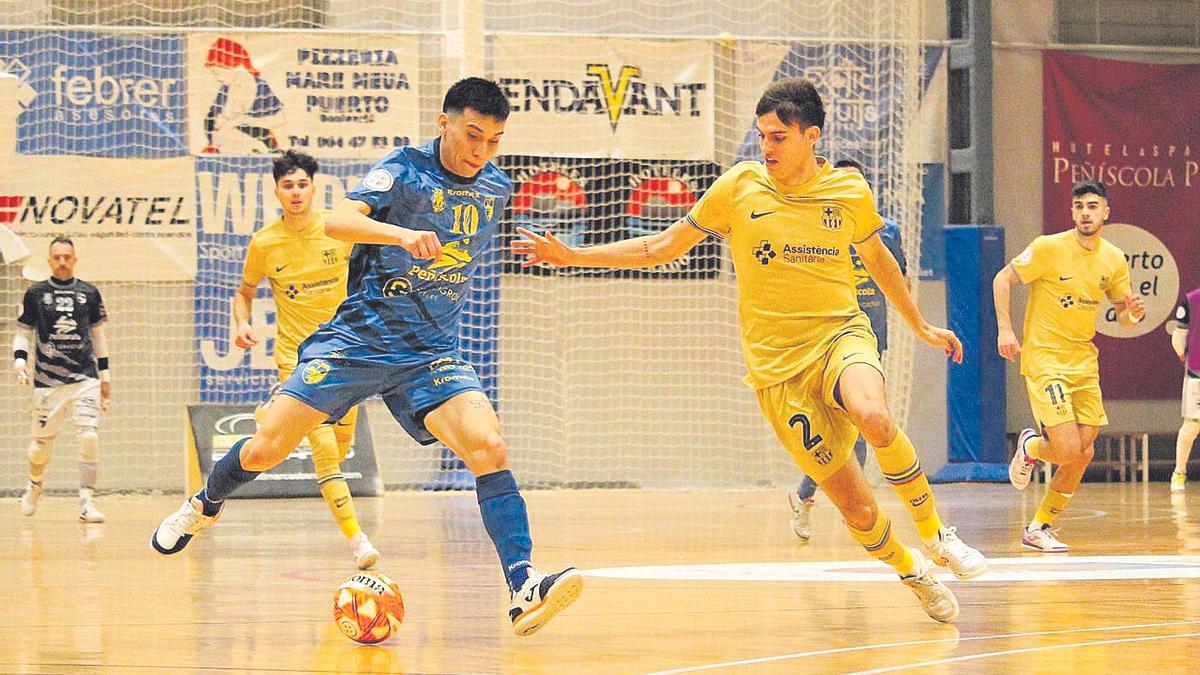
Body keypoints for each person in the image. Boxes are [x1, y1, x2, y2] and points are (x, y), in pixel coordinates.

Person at [513, 77, 986, 623]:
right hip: (777, 371)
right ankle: (911, 572)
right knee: (855, 506)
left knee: (874, 415)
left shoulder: (849, 192)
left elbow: (879, 260)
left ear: (811, 137)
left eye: (779, 136)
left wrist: (921, 324)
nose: (766, 147)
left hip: (839, 334)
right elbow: (660, 246)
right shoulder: (739, 186)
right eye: (761, 135)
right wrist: (575, 256)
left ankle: (937, 537)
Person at [152, 78, 582, 636]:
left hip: (431, 352)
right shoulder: (402, 168)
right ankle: (206, 502)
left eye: (494, 140)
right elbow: (339, 222)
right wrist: (401, 235)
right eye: (473, 135)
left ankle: (524, 584)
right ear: (443, 122)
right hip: (357, 340)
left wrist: (560, 252)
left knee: (490, 447)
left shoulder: (496, 187)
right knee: (266, 447)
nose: (481, 151)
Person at [233, 149, 380, 569]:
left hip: (347, 354)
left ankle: (273, 414)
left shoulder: (338, 229)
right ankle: (358, 542)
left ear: (314, 188)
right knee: (324, 451)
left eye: (302, 184)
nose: (295, 192)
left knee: (342, 444)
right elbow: (243, 294)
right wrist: (242, 323)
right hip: (298, 359)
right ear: (277, 191)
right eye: (287, 185)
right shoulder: (264, 242)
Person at [994, 179, 1144, 551]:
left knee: (1085, 449)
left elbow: (1124, 317)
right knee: (1065, 449)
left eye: (1093, 206)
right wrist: (1005, 330)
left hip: (1083, 362)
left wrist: (1134, 315)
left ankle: (1039, 528)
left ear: (1106, 212)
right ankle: (1031, 446)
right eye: (1079, 206)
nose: (1085, 212)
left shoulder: (1113, 259)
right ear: (1072, 211)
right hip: (1046, 359)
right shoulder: (1048, 248)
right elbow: (1003, 279)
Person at [788, 158, 908, 542]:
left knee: (863, 427)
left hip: (871, 340)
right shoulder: (819, 224)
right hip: (827, 339)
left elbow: (896, 277)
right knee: (839, 432)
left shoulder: (885, 231)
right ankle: (834, 500)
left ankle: (815, 498)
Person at [13, 236, 110, 523]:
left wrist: (106, 376)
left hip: (85, 379)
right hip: (48, 382)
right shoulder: (35, 293)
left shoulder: (89, 293)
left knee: (89, 436)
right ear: (49, 260)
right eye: (57, 257)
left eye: (67, 257)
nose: (62, 262)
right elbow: (24, 332)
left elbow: (98, 336)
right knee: (40, 449)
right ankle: (34, 486)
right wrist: (20, 361)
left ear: (75, 259)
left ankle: (86, 503)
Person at [201, 37, 285, 155]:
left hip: (258, 127)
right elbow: (215, 115)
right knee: (213, 120)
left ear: (231, 66)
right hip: (239, 127)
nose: (216, 77)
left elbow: (232, 115)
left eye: (217, 72)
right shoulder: (228, 84)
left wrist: (222, 124)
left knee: (229, 130)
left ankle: (264, 149)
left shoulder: (246, 82)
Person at [1171, 287, 1200, 493]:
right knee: (1191, 426)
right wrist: (1181, 351)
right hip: (1198, 372)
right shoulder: (1191, 300)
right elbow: (1179, 334)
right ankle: (1179, 472)